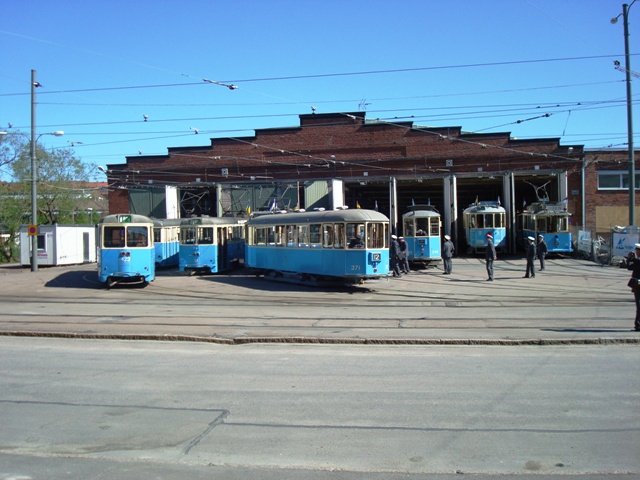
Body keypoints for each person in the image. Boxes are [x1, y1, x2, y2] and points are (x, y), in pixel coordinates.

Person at [626, 244, 640, 331]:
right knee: (638, 305)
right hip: (636, 285)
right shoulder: (636, 260)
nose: (637, 252)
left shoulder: (637, 261)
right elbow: (630, 268)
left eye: (638, 250)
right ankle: (637, 324)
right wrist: (629, 259)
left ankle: (638, 324)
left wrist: (633, 259)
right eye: (636, 250)